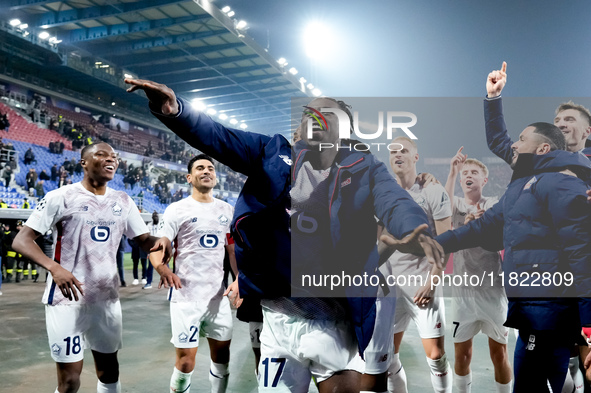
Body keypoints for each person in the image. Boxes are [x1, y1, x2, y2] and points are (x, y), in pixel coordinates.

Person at [126, 78, 444, 393]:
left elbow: (396, 202)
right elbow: (218, 136)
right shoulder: (271, 153)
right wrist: (173, 109)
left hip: (333, 319)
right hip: (277, 319)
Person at [421, 122, 591, 392]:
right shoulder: (521, 186)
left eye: (522, 139)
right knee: (541, 380)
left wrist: (590, 326)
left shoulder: (561, 182)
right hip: (528, 311)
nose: (514, 143)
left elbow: (582, 253)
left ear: (542, 148)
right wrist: (436, 243)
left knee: (535, 381)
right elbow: (480, 228)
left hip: (549, 312)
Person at [12, 142, 172, 393]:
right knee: (69, 381)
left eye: (115, 157)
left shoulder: (123, 200)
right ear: (83, 162)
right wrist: (55, 268)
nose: (111, 160)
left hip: (106, 299)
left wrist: (159, 241)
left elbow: (143, 240)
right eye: (102, 155)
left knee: (109, 372)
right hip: (67, 299)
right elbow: (21, 240)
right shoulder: (60, 196)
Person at [486, 61, 589, 391]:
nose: (562, 124)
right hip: (545, 298)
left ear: (587, 131)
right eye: (557, 121)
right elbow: (500, 142)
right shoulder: (533, 165)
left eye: (569, 120)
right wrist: (493, 99)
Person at [148, 154, 237, 393]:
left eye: (210, 168)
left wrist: (239, 280)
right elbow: (157, 247)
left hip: (217, 299)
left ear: (216, 177)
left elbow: (232, 252)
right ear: (190, 177)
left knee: (222, 359)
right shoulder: (177, 210)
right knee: (186, 362)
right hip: (185, 298)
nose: (206, 171)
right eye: (200, 168)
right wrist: (162, 267)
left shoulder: (227, 211)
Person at [378, 136, 452, 393]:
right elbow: (378, 243)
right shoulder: (383, 194)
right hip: (390, 288)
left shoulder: (432, 190)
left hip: (422, 284)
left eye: (404, 150)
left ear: (415, 157)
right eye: (393, 152)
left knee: (435, 356)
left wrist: (431, 283)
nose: (398, 155)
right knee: (388, 357)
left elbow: (445, 242)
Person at [444, 148, 512, 392]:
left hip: (493, 292)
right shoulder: (456, 204)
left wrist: (484, 225)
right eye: (465, 173)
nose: (468, 175)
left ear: (485, 179)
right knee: (462, 354)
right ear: (461, 180)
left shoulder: (493, 204)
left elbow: (501, 234)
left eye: (474, 172)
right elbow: (444, 206)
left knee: (499, 354)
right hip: (463, 294)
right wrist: (452, 173)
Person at [143, 211, 159, 289]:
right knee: (150, 266)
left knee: (165, 265)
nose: (155, 217)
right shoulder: (149, 225)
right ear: (152, 217)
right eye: (154, 216)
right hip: (152, 249)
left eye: (156, 216)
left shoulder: (162, 225)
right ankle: (149, 283)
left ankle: (169, 282)